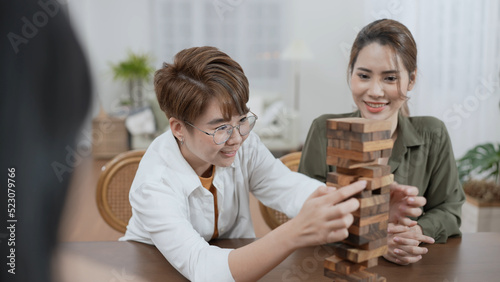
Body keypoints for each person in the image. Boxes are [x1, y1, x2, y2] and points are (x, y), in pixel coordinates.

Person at [119, 46, 369, 281]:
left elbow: (289, 187)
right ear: (179, 128)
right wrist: (294, 233)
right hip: (156, 271)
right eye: (221, 128)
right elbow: (203, 267)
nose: (237, 138)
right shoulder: (154, 183)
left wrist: (362, 205)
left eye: (242, 120)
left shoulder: (244, 145)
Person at [299, 19, 465, 265]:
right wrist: (373, 237)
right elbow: (307, 212)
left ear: (411, 79)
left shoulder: (433, 134)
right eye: (364, 75)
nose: (375, 91)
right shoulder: (324, 130)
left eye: (390, 78)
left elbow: (449, 210)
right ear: (351, 74)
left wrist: (414, 233)